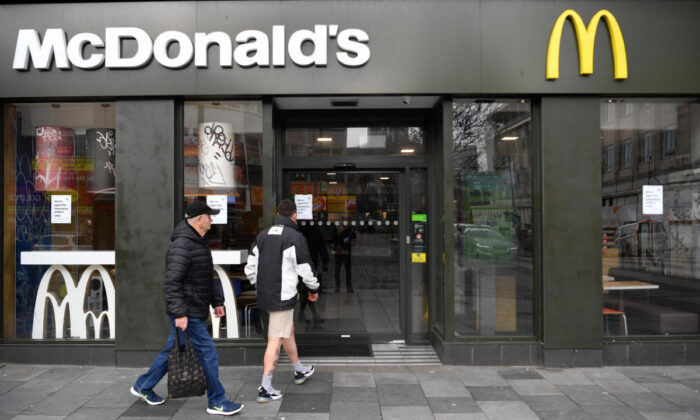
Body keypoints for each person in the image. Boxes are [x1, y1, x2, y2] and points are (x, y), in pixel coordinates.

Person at [130, 200, 243, 416]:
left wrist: (217, 302)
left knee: (173, 350)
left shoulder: (198, 242)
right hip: (187, 312)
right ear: (199, 219)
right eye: (209, 216)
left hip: (192, 309)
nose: (212, 220)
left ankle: (143, 385)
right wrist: (180, 313)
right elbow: (173, 282)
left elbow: (206, 277)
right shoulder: (182, 245)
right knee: (208, 352)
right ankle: (217, 401)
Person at [244, 199, 319, 403]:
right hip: (282, 296)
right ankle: (265, 388)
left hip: (266, 295)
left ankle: (299, 370)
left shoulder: (262, 235)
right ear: (294, 215)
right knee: (275, 338)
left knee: (288, 331)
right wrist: (313, 288)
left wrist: (260, 286)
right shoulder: (294, 237)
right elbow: (305, 267)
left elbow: (250, 268)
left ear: (278, 213)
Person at [299, 219, 329, 325]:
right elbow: (322, 248)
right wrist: (325, 260)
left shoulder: (301, 231)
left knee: (306, 290)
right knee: (307, 290)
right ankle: (313, 315)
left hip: (305, 264)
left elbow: (322, 247)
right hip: (308, 264)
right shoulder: (311, 231)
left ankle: (304, 313)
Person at [332, 221, 356, 292]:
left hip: (345, 251)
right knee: (338, 269)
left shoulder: (348, 230)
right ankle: (338, 286)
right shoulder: (336, 229)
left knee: (346, 270)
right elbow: (334, 239)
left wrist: (342, 241)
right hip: (339, 251)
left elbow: (352, 237)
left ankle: (347, 286)